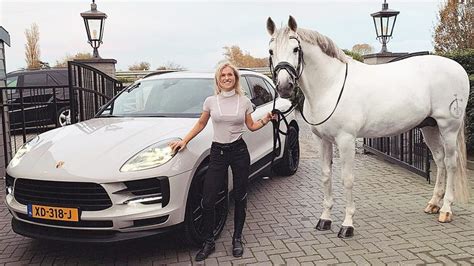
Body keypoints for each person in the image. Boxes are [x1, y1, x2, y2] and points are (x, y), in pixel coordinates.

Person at [169, 62, 275, 261]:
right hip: (218, 152)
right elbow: (201, 123)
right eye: (223, 75)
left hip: (239, 152)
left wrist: (267, 119)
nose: (227, 78)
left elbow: (251, 126)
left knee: (241, 196)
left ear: (235, 78)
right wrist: (184, 140)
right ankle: (209, 241)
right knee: (208, 200)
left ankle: (237, 238)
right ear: (218, 79)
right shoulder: (210, 101)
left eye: (230, 75)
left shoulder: (243, 101)